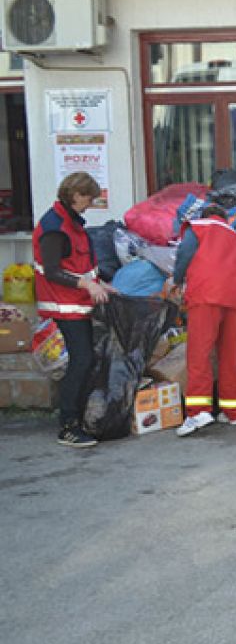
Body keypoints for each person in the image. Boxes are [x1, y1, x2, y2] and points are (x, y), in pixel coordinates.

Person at [32, 172, 116, 447]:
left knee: (84, 361)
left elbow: (78, 265)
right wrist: (87, 285)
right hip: (63, 306)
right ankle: (68, 425)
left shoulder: (70, 223)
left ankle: (76, 419)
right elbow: (54, 271)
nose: (89, 205)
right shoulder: (54, 227)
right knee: (81, 362)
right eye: (88, 199)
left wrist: (99, 283)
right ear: (75, 195)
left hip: (75, 304)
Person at [172, 203, 236, 437]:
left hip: (207, 294)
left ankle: (198, 411)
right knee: (229, 354)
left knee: (200, 353)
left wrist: (176, 279)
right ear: (223, 217)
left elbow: (185, 254)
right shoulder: (235, 236)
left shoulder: (198, 227)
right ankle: (234, 412)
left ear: (205, 216)